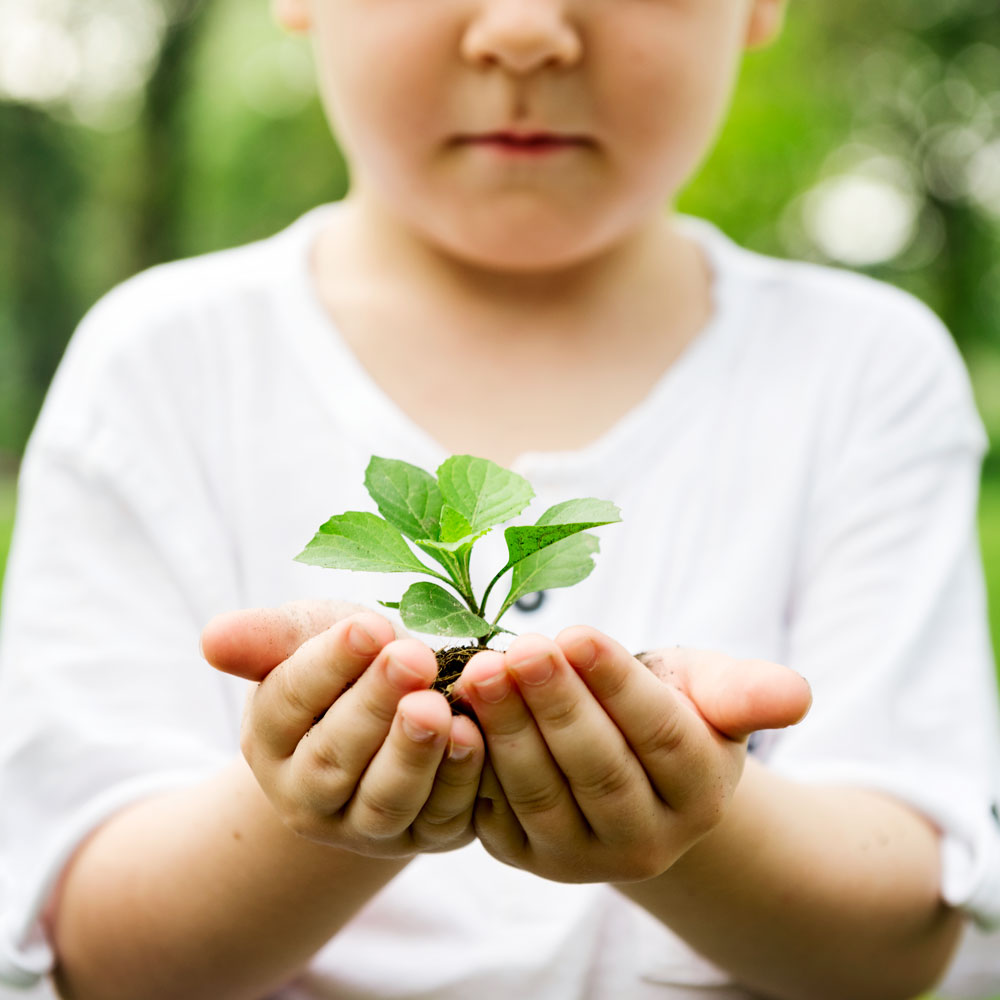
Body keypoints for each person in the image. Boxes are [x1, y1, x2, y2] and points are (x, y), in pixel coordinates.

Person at [1, 0, 999, 997]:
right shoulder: (162, 368)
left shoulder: (862, 370)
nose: (524, 30)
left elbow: (903, 929)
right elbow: (96, 947)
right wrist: (308, 809)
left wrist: (693, 817)